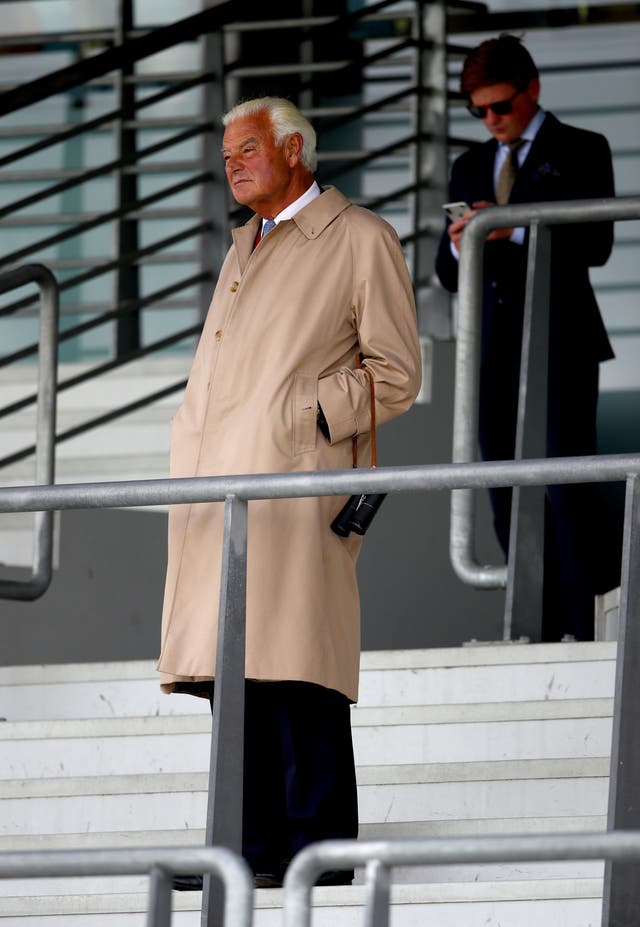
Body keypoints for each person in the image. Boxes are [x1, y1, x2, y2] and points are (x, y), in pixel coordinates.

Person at [157, 96, 421, 889]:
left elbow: (398, 373)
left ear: (297, 149)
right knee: (228, 670)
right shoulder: (244, 247)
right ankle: (244, 849)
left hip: (293, 482)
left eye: (247, 149)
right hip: (218, 489)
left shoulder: (359, 237)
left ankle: (316, 848)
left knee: (296, 665)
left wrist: (302, 410)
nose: (231, 164)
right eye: (226, 153)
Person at [435, 34, 616, 641]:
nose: (492, 120)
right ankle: (533, 627)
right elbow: (443, 270)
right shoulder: (467, 164)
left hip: (560, 346)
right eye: (478, 111)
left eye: (501, 106)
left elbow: (598, 244)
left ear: (533, 89)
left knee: (566, 486)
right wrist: (464, 241)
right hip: (490, 353)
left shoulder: (583, 148)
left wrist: (508, 230)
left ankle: (586, 626)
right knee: (503, 489)